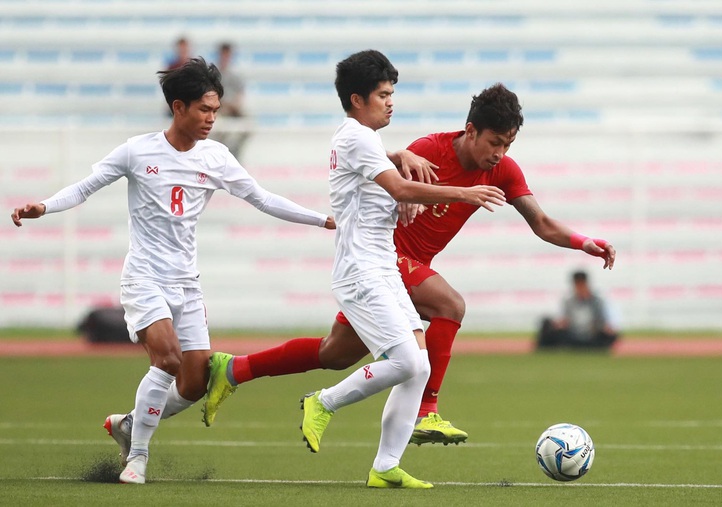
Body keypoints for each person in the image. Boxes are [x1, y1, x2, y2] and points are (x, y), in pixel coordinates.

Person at [203, 83, 617, 446]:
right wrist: (413, 190)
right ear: (470, 130)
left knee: (335, 354)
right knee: (450, 305)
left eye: (508, 144)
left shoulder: (503, 171)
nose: (500, 153)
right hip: (384, 259)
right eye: (494, 142)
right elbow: (388, 184)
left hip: (402, 270)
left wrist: (585, 243)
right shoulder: (429, 151)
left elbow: (542, 224)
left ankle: (236, 368)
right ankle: (425, 410)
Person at [10, 57, 335, 484]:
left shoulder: (216, 157)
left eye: (216, 110)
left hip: (187, 282)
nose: (211, 119)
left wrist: (320, 219)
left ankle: (129, 424)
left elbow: (261, 197)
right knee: (167, 358)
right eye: (204, 109)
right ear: (178, 107)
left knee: (195, 382)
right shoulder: (137, 150)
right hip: (144, 277)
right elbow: (85, 187)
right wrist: (44, 207)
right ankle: (138, 458)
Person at [295, 49, 503, 489]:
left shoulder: (362, 139)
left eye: (393, 93)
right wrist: (467, 194)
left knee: (420, 367)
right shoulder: (355, 137)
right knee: (406, 360)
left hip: (382, 267)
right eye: (383, 95)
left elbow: (388, 178)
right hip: (359, 272)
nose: (391, 102)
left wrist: (398, 155)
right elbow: (400, 187)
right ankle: (323, 402)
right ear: (357, 99)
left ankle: (385, 466)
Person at [536, 270, 620, 349]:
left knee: (611, 335)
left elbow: (601, 322)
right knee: (547, 323)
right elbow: (565, 321)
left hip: (591, 335)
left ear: (586, 284)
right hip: (572, 334)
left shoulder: (596, 301)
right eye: (577, 285)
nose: (580, 288)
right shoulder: (569, 301)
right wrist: (559, 324)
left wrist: (604, 327)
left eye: (581, 284)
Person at [210, 42, 250, 158]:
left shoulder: (236, 75)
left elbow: (240, 96)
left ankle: (235, 154)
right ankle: (220, 156)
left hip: (233, 110)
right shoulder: (213, 74)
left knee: (247, 126)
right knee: (219, 129)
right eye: (224, 54)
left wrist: (233, 106)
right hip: (218, 110)